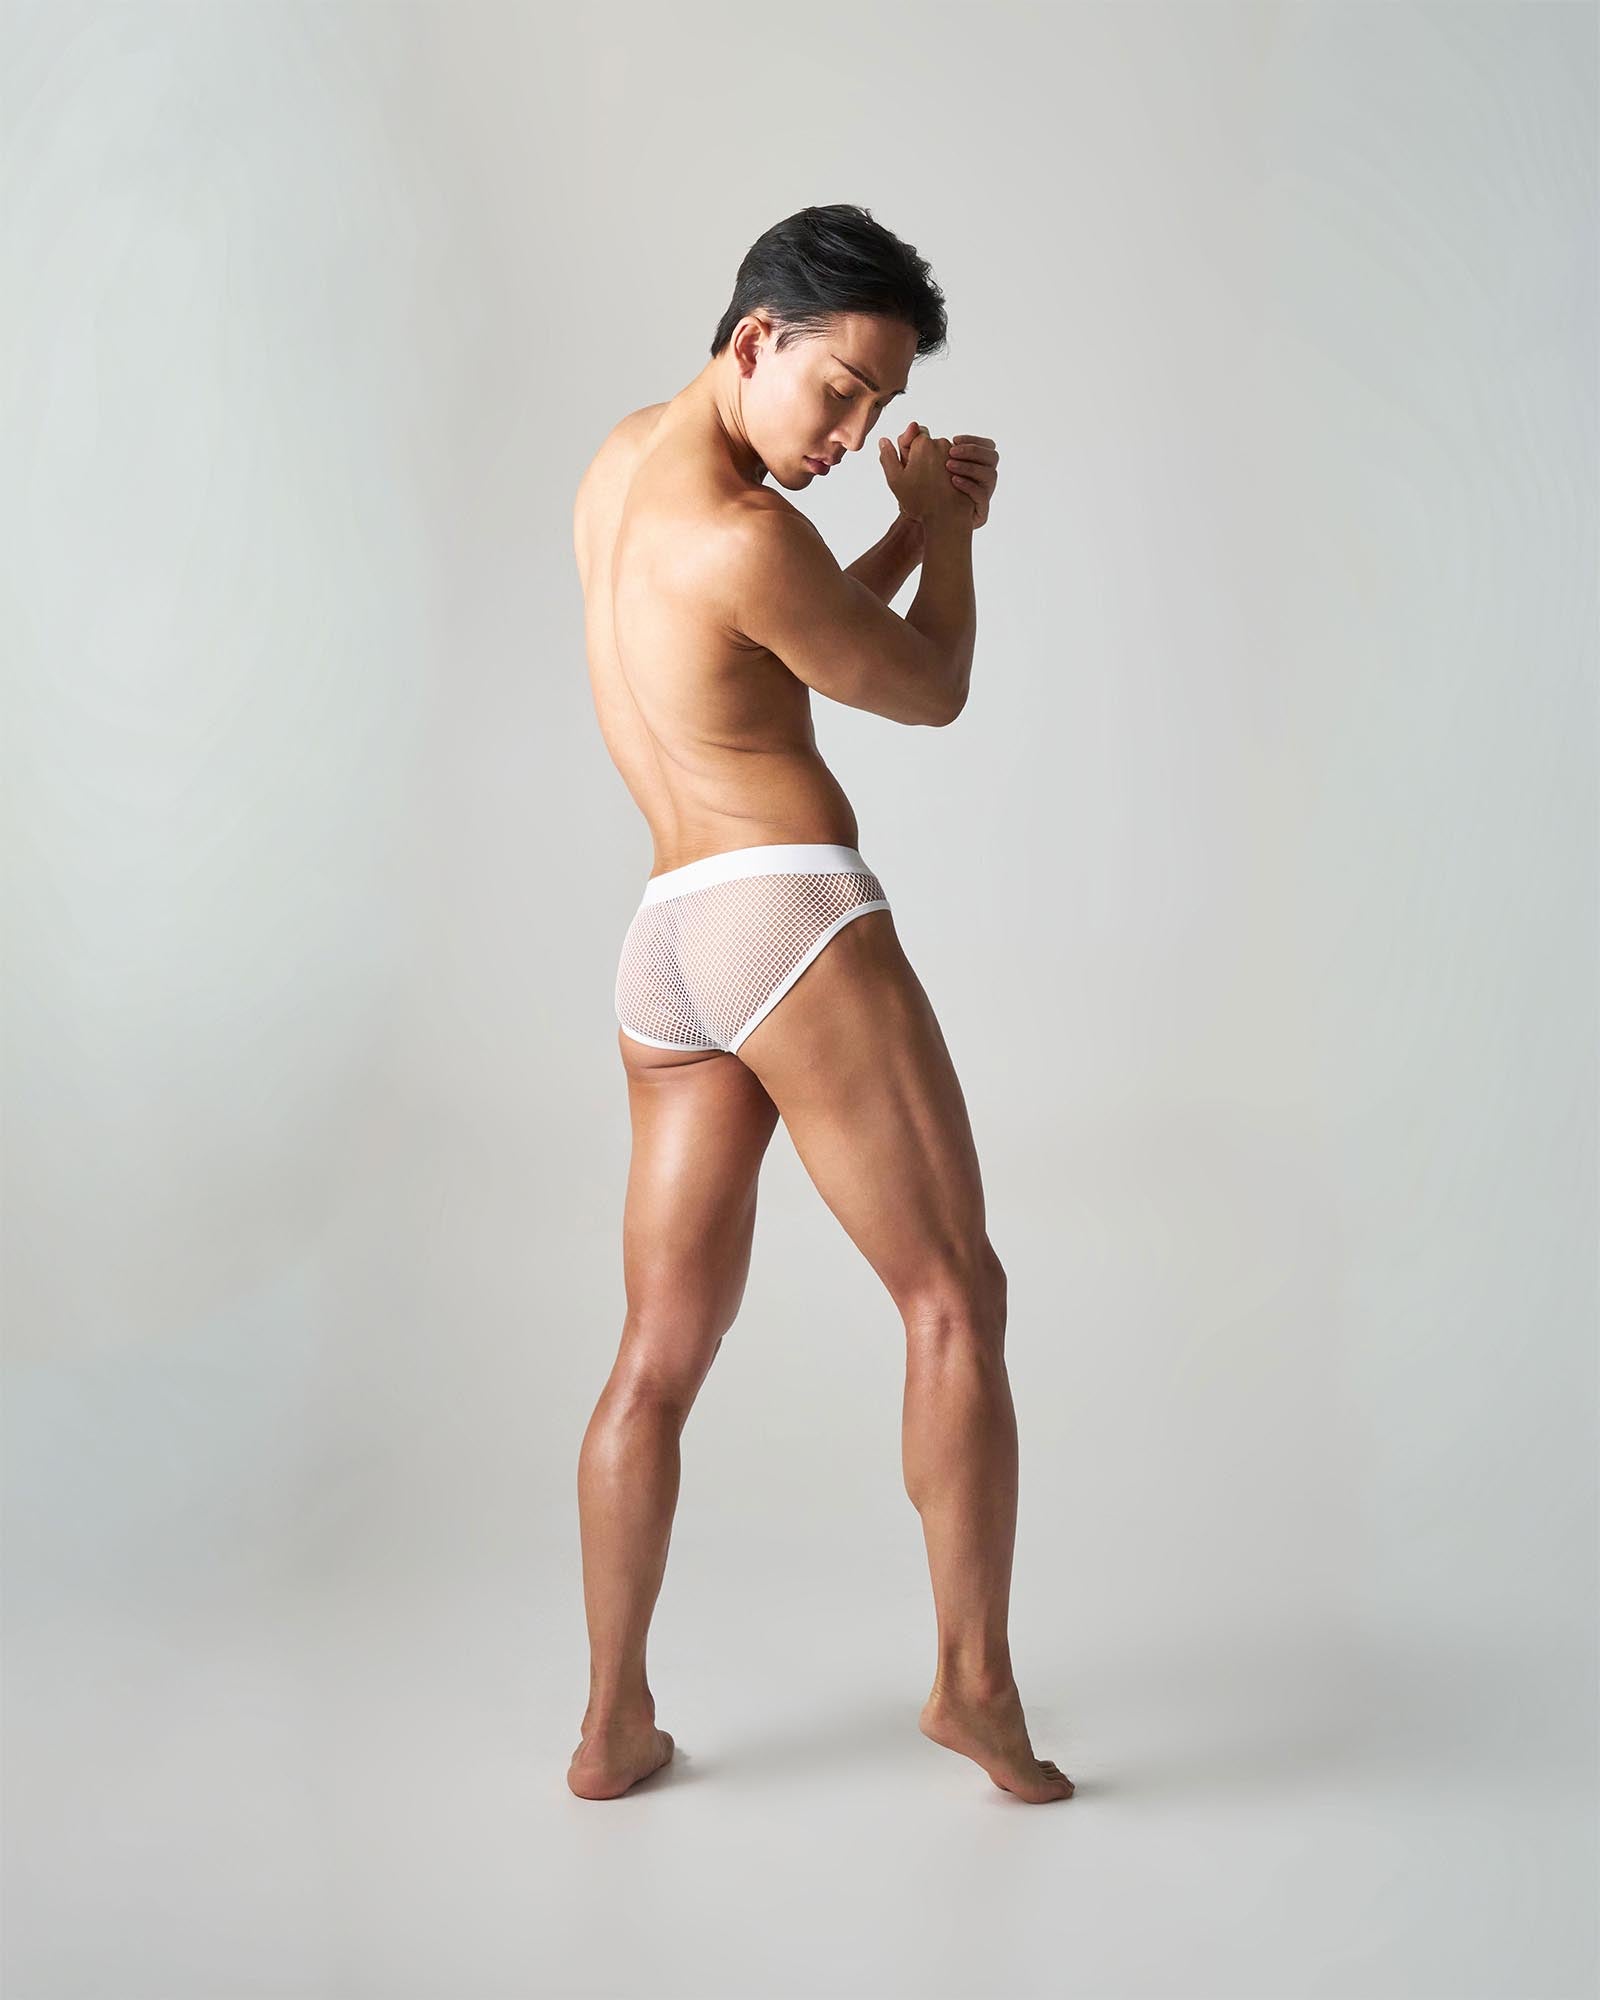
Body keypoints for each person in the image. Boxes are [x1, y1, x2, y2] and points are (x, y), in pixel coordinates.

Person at [568, 204, 1073, 1805]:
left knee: (654, 1357)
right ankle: (973, 1685)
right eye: (841, 390)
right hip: (786, 914)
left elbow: (766, 648)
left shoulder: (622, 468)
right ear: (754, 340)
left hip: (667, 942)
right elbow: (928, 687)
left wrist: (907, 531)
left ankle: (611, 1726)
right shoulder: (750, 533)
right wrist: (957, 535)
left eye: (880, 407)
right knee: (955, 1300)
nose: (854, 436)